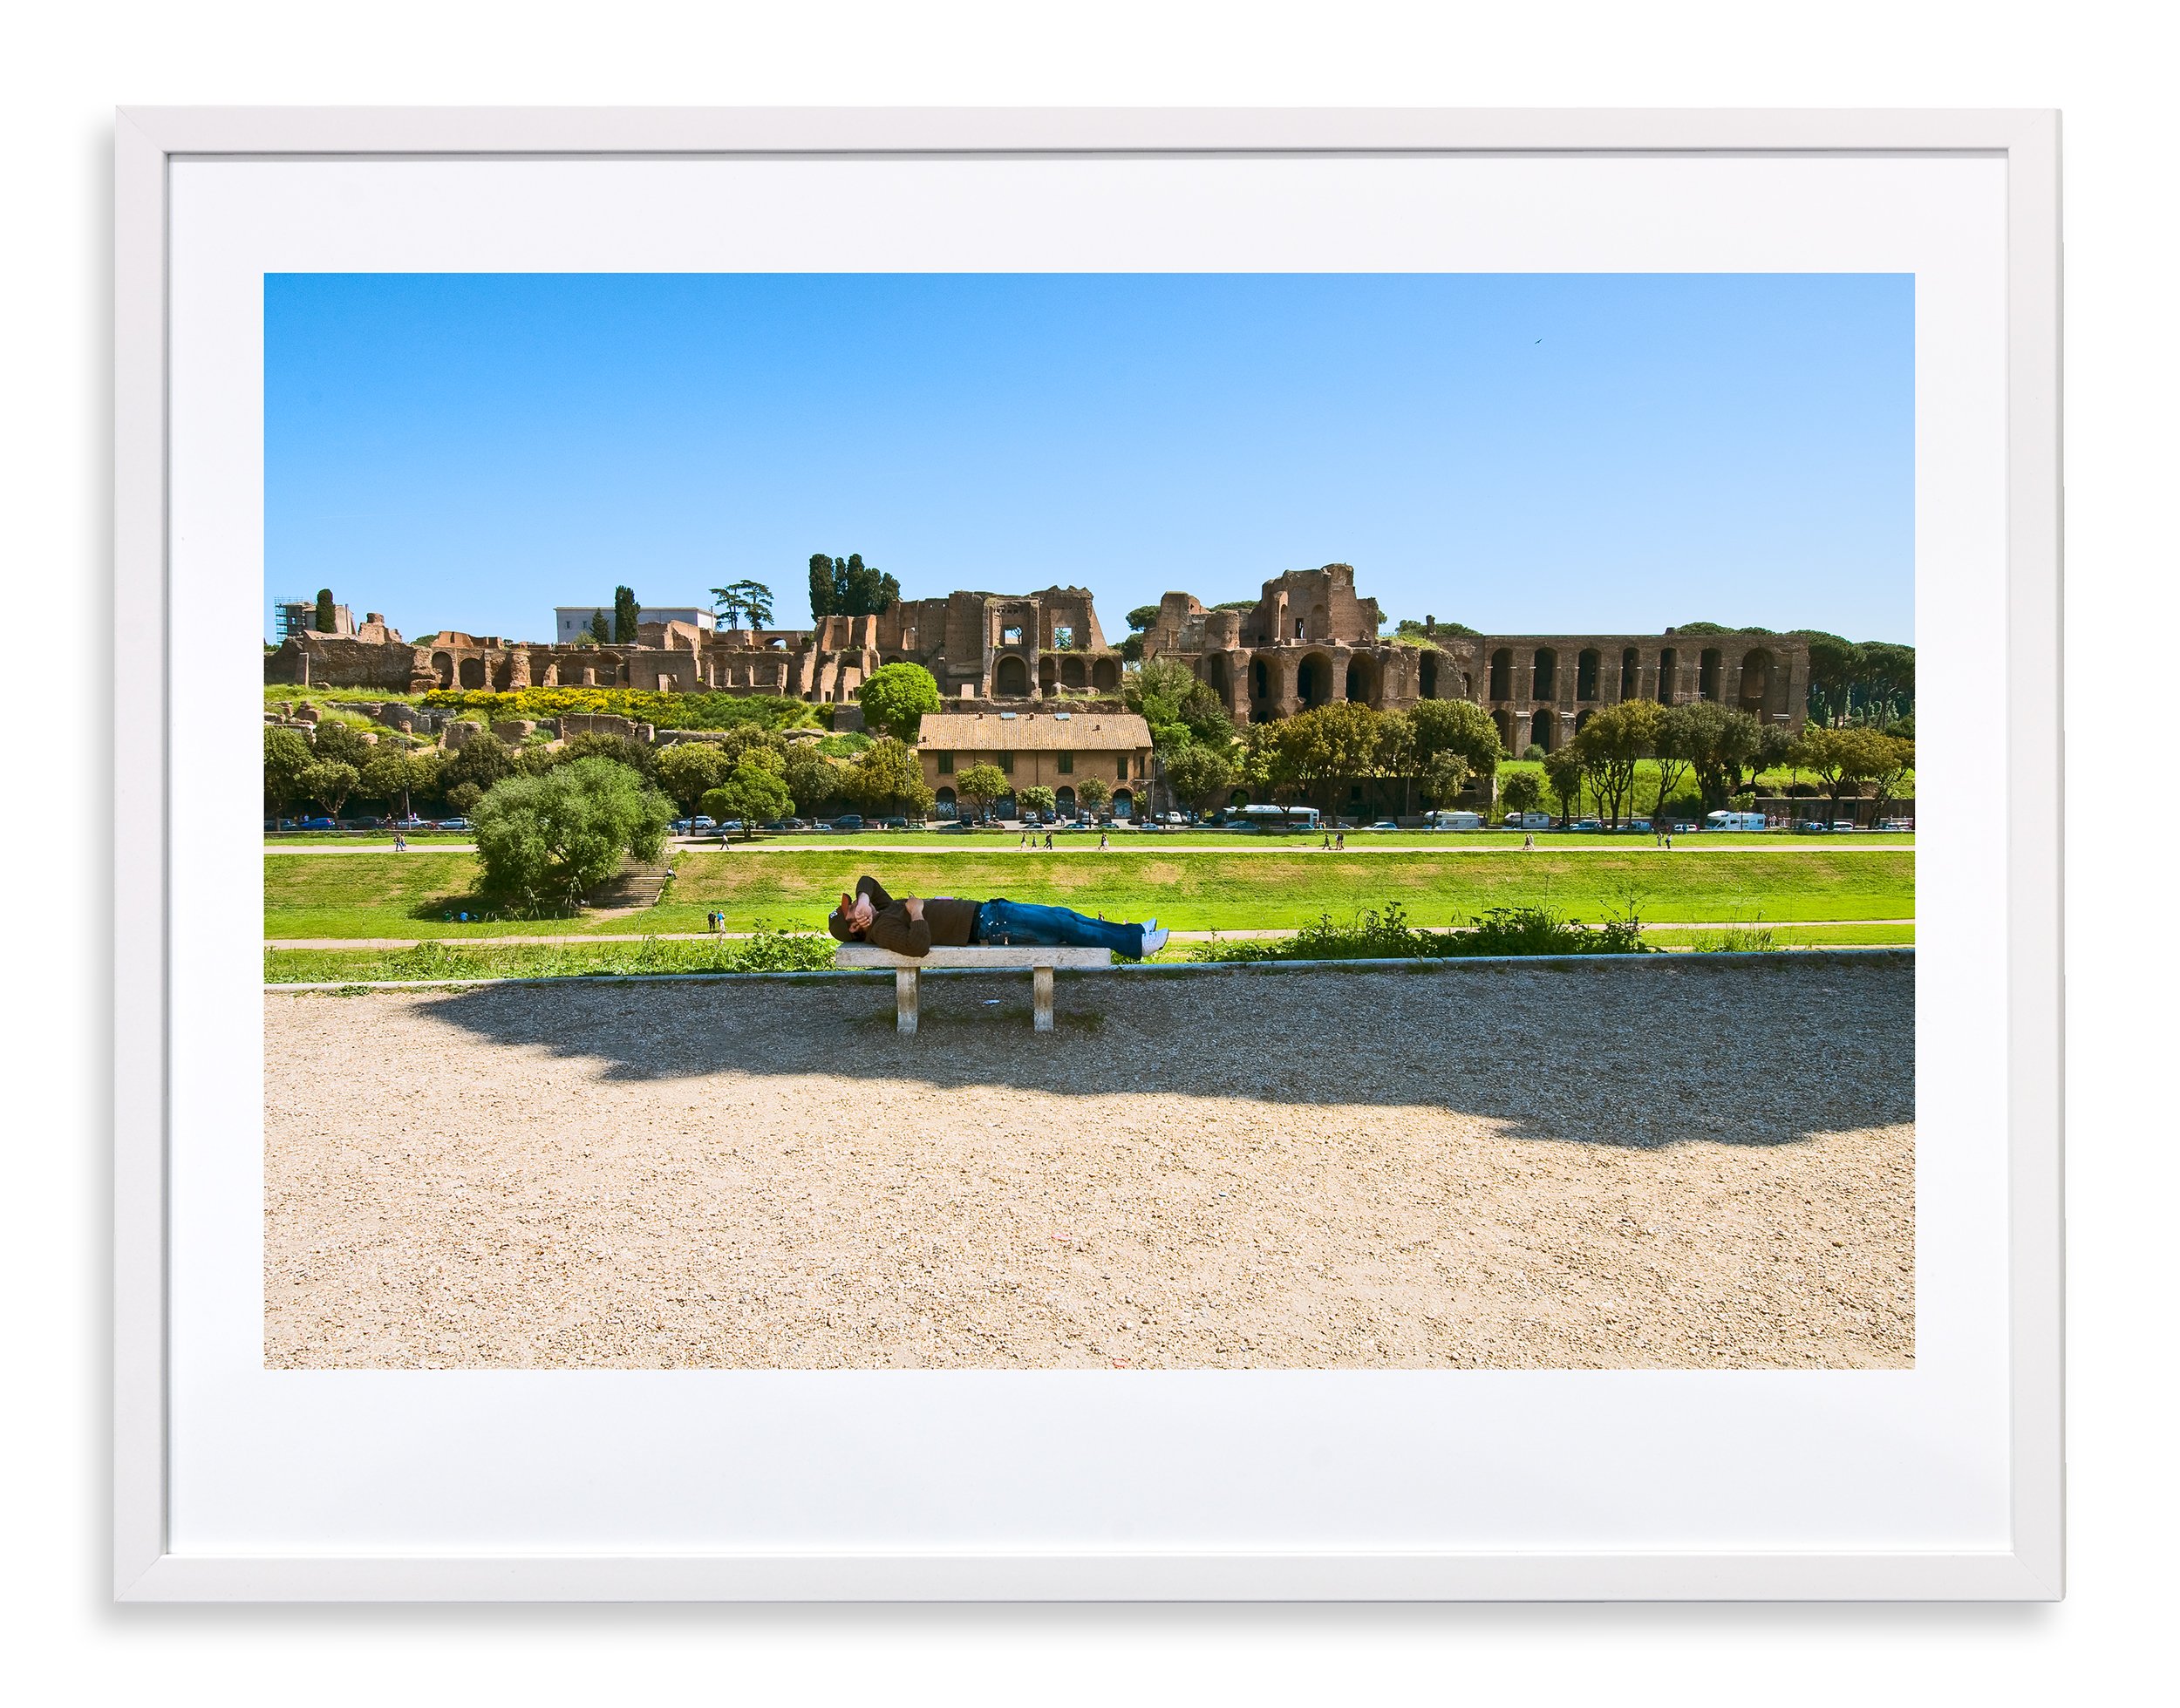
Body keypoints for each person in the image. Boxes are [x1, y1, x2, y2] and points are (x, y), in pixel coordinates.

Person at [828, 874, 1168, 959]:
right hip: (992, 926)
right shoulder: (884, 927)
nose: (858, 912)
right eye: (854, 917)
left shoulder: (881, 909)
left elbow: (868, 882)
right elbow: (917, 947)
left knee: (1065, 916)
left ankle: (1135, 931)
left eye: (854, 908)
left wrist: (863, 899)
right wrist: (917, 913)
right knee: (1065, 927)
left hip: (990, 913)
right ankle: (1136, 947)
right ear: (857, 930)